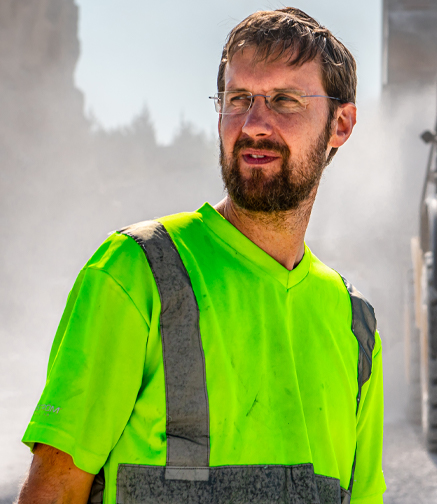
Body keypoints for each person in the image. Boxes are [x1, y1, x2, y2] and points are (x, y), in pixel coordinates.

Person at [16, 7, 384, 504]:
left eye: (285, 100)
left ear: (340, 124)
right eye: (238, 99)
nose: (255, 123)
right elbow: (53, 492)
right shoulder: (135, 272)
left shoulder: (352, 323)